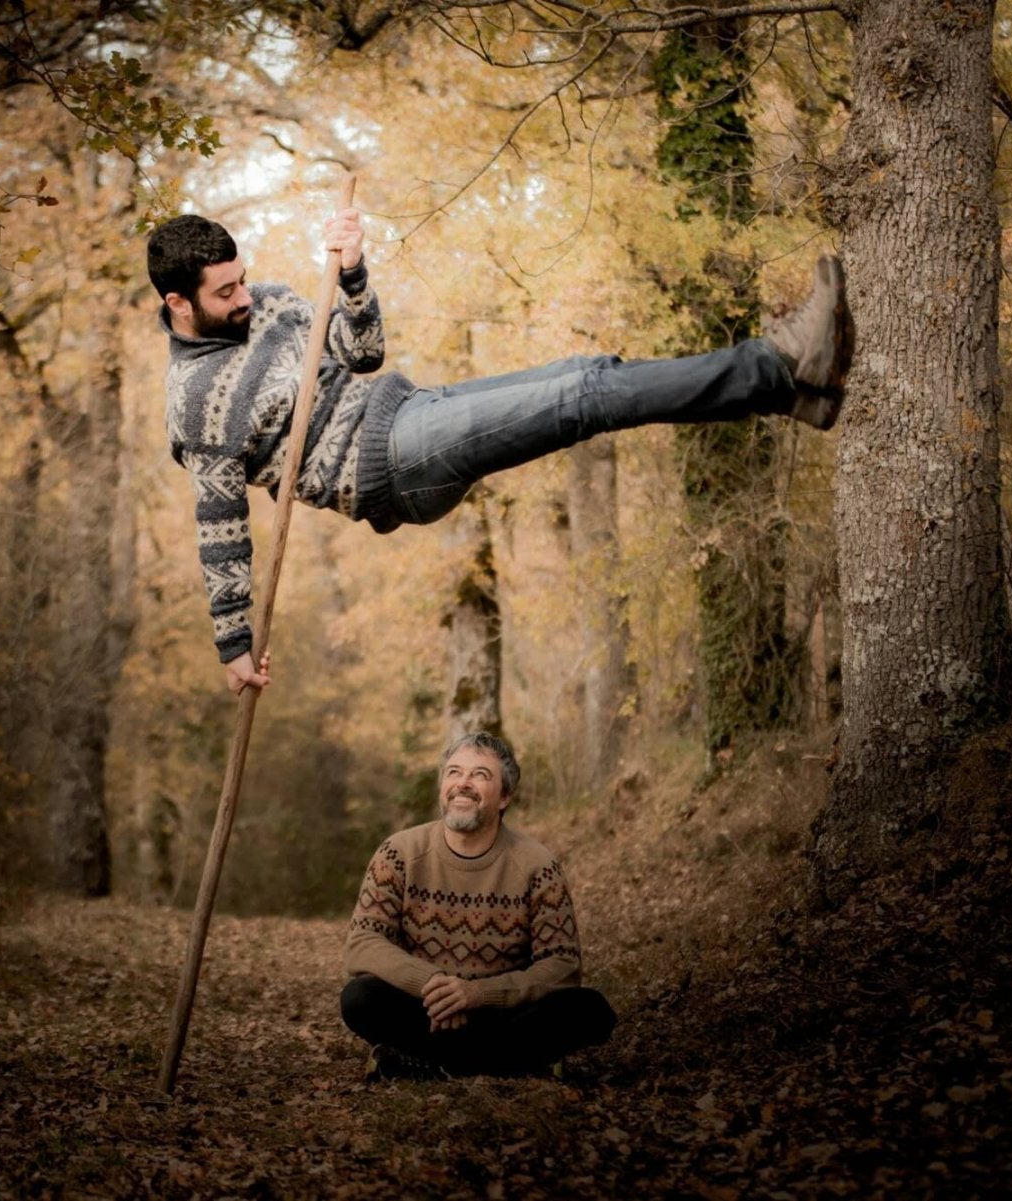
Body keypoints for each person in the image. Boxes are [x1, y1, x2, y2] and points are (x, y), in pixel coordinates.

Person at [149, 208, 852, 694]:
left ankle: (799, 397)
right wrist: (233, 646)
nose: (246, 295)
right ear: (181, 303)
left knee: (584, 373)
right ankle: (785, 364)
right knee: (587, 393)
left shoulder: (271, 302)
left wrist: (355, 273)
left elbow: (363, 352)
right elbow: (221, 531)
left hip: (409, 410)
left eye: (242, 277)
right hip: (389, 466)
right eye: (226, 291)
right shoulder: (192, 400)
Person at [339, 731, 616, 1079]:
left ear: (504, 797)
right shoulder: (398, 853)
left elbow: (561, 965)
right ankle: (511, 1064)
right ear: (442, 786)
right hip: (425, 1010)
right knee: (360, 998)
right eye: (454, 772)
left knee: (588, 1010)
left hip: (500, 1012)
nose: (463, 783)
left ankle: (427, 1065)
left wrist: (477, 994)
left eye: (479, 775)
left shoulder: (537, 865)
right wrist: (436, 985)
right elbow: (363, 944)